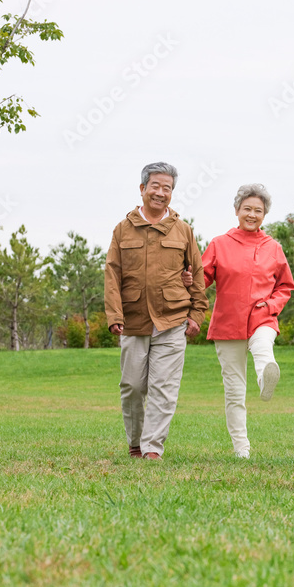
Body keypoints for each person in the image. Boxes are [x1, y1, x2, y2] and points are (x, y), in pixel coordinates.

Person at [104, 162, 207, 460]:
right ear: (143, 189)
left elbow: (196, 274)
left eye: (168, 188)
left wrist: (196, 315)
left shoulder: (183, 230)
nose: (161, 193)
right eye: (156, 187)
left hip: (173, 320)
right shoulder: (122, 229)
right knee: (133, 386)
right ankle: (135, 442)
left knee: (164, 388)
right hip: (134, 321)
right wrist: (114, 315)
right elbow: (112, 275)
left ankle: (152, 448)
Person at [184, 184, 294, 459]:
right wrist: (189, 281)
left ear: (264, 215)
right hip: (228, 323)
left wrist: (271, 305)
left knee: (263, 345)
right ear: (236, 211)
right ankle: (241, 449)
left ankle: (265, 377)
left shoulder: (273, 248)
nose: (252, 214)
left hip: (262, 316)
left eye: (258, 210)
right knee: (234, 392)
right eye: (247, 209)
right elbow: (203, 279)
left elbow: (285, 286)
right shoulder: (220, 244)